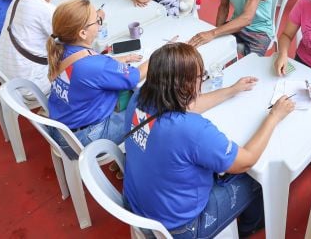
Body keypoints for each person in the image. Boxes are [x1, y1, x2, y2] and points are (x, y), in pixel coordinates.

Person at [123, 43, 294, 238]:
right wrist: (274, 117)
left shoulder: (140, 96)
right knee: (256, 176)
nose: (201, 82)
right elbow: (247, 160)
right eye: (200, 77)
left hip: (136, 207)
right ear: (186, 85)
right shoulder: (191, 129)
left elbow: (189, 105)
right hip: (179, 228)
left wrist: (231, 90)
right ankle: (250, 226)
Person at [47, 0, 142, 155]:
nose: (100, 23)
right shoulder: (94, 65)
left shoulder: (62, 47)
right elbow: (135, 76)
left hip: (61, 128)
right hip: (83, 139)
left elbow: (91, 67)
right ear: (83, 33)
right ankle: (129, 163)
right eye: (97, 20)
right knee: (149, 114)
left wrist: (114, 61)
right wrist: (159, 58)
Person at [0, 0, 63, 95]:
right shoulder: (46, 10)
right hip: (29, 84)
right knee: (79, 61)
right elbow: (70, 39)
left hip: (5, 75)